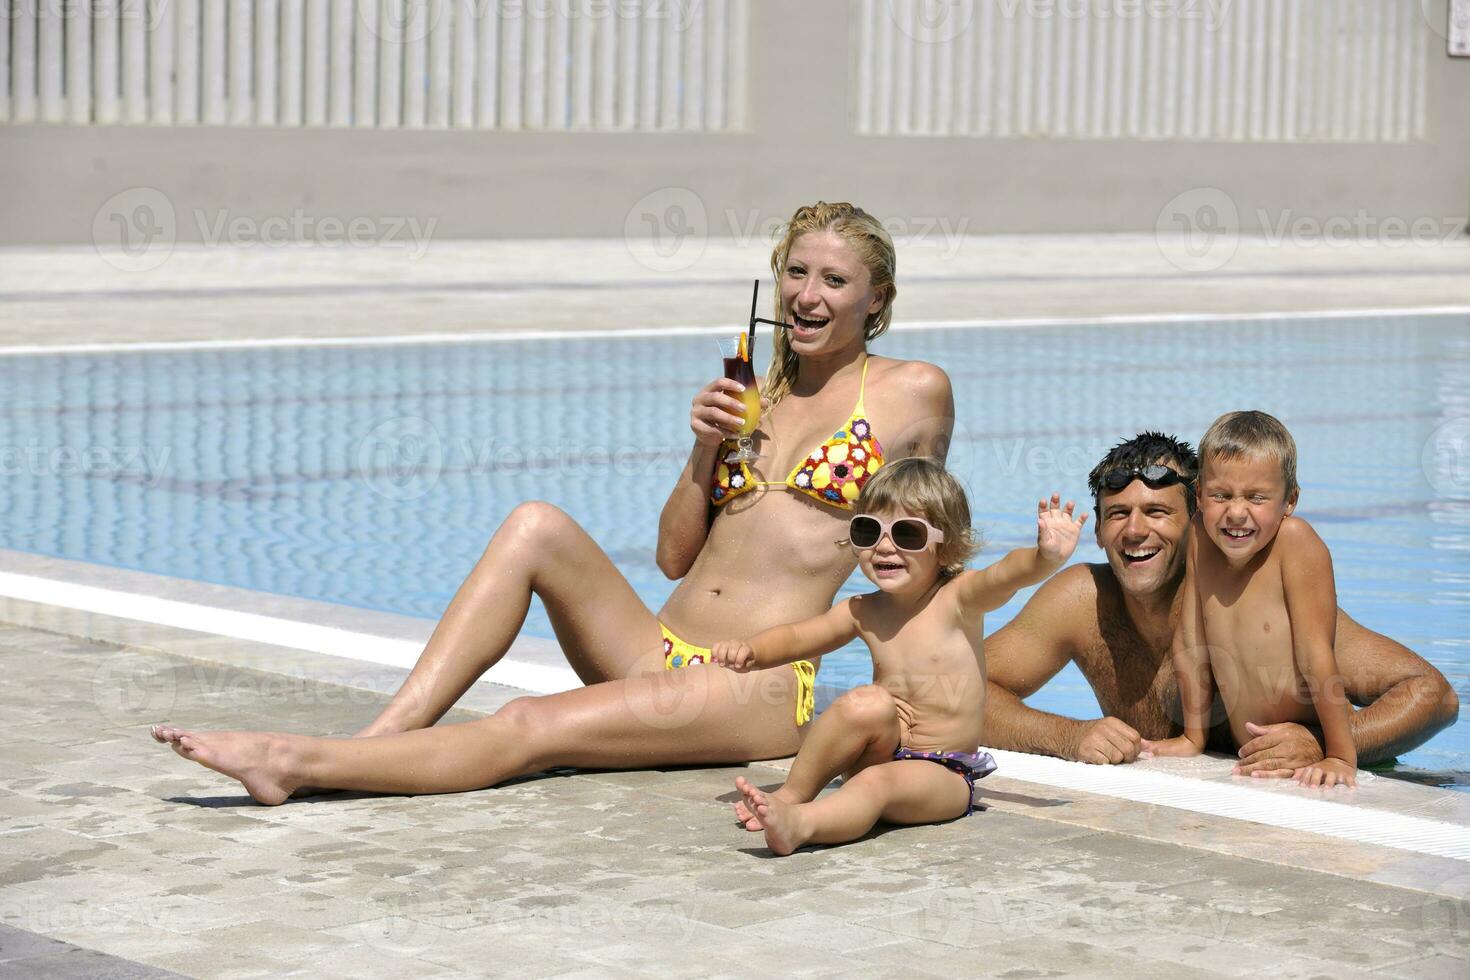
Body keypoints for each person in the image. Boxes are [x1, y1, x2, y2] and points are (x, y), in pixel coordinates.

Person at [149, 201, 956, 804]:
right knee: (534, 522)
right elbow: (676, 555)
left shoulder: (909, 391)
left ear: (875, 299)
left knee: (535, 724)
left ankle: (293, 763)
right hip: (658, 642)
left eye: (834, 280)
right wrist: (706, 448)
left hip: (756, 681)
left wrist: (924, 712)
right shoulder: (756, 392)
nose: (807, 295)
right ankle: (383, 738)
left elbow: (924, 563)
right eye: (797, 271)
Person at [984, 432, 1458, 773]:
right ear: (1098, 530)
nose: (1134, 531)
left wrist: (1324, 743)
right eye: (1118, 515)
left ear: (1197, 521)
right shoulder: (1082, 601)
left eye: (1157, 512)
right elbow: (956, 691)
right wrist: (1068, 736)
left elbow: (1433, 694)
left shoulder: (1255, 596)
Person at [712, 458, 1087, 854]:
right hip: (880, 752)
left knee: (874, 785)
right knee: (864, 702)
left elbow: (1006, 574)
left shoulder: (960, 599)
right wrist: (752, 650)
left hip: (940, 772)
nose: (885, 545)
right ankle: (791, 796)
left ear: (947, 547)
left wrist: (1045, 558)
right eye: (868, 530)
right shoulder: (865, 610)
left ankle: (800, 826)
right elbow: (799, 636)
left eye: (908, 533)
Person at [1142, 412, 1355, 787]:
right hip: (1255, 758)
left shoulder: (1295, 542)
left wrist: (1339, 755)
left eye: (1256, 498)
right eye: (1220, 495)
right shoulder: (1201, 538)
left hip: (1312, 746)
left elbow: (1315, 653)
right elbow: (1191, 639)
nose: (1236, 512)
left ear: (1289, 500)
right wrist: (1194, 736)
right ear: (1200, 497)